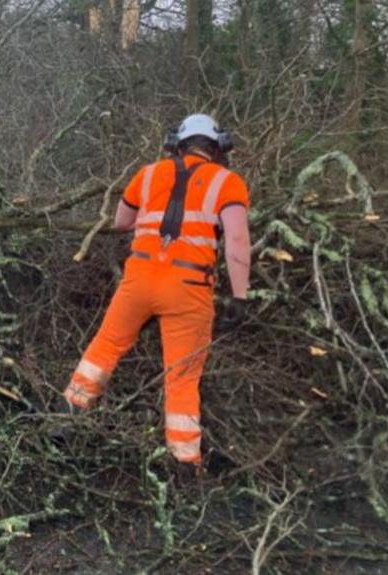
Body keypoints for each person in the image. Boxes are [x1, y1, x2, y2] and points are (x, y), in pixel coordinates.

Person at [58, 113, 251, 473]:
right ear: (218, 147)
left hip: (140, 279)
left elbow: (120, 222)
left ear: (176, 143)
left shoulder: (147, 174)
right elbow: (237, 240)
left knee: (106, 346)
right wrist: (240, 296)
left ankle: (68, 414)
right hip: (189, 289)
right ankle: (184, 462)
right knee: (182, 375)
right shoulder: (228, 182)